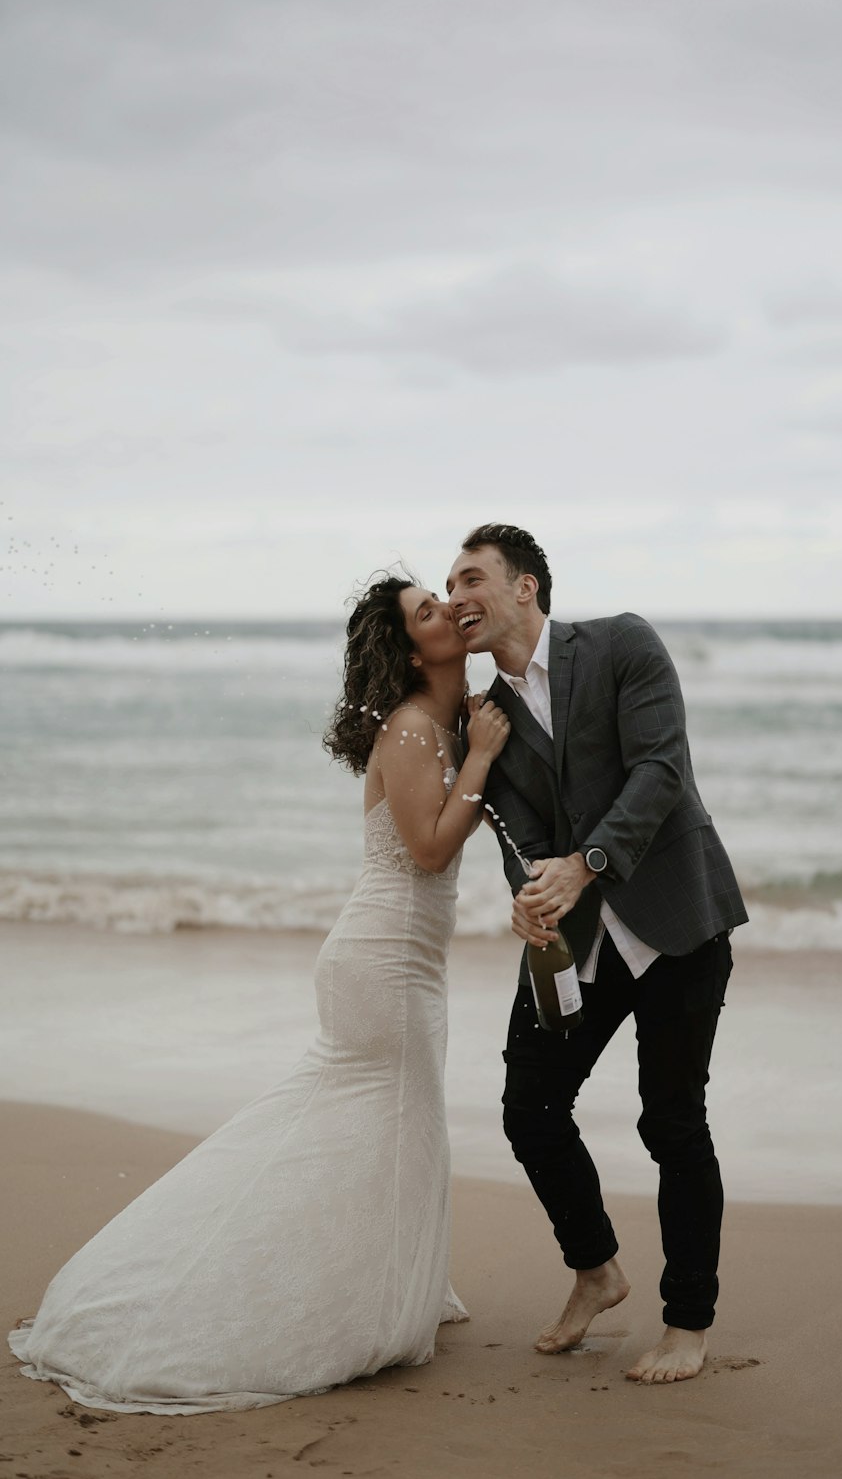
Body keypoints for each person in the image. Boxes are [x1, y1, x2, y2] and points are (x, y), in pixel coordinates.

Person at [9, 574, 510, 1414]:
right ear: (406, 646)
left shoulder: (446, 722)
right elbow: (427, 850)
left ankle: (385, 1282)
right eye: (426, 611)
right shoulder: (417, 728)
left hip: (399, 960)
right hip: (383, 962)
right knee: (380, 1122)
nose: (444, 612)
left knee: (394, 1130)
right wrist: (487, 759)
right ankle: (325, 1298)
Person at [446, 524, 748, 1385]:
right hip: (574, 937)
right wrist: (530, 889)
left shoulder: (621, 643)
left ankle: (688, 1322)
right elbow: (516, 833)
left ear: (527, 587)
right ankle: (597, 1270)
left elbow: (661, 770)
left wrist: (583, 866)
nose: (457, 595)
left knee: (671, 1120)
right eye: (449, 583)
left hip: (678, 922)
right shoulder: (489, 719)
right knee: (529, 1105)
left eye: (473, 578)